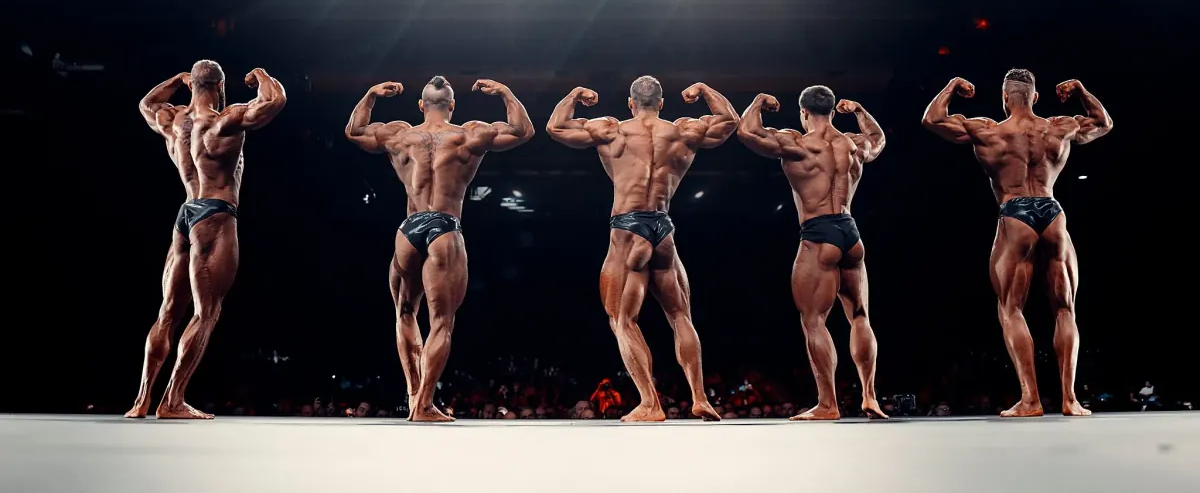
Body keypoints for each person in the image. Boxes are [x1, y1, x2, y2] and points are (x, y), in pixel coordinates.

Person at [921, 71, 1113, 417]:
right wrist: (1082, 90)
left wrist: (951, 86)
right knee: (1065, 309)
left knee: (1010, 308)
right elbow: (1104, 123)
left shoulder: (989, 130)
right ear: (1035, 97)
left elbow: (932, 120)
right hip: (1052, 210)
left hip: (1015, 210)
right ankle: (1070, 400)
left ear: (1005, 98)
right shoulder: (1057, 127)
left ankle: (1030, 399)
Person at [546, 77, 737, 422]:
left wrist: (575, 95)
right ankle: (699, 398)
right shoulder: (682, 131)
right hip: (663, 227)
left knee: (622, 319)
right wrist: (705, 91)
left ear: (631, 104)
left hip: (626, 229)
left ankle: (650, 403)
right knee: (681, 317)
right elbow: (729, 122)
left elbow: (556, 127)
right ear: (661, 103)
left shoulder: (612, 130)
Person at [345, 76, 534, 422]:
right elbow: (523, 131)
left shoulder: (400, 134)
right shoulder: (467, 133)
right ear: (452, 106)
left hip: (408, 229)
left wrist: (371, 94)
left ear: (421, 106)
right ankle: (424, 404)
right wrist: (506, 93)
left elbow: (354, 131)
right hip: (444, 227)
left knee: (404, 313)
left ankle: (414, 393)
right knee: (442, 322)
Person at [125, 62, 287, 420]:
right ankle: (172, 401)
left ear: (193, 85)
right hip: (215, 213)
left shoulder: (175, 122)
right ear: (218, 85)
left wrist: (176, 79)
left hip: (185, 213)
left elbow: (146, 103)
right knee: (206, 312)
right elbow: (274, 101)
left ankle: (141, 401)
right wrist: (260, 74)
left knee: (167, 312)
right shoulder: (224, 120)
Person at [738, 88, 887, 420]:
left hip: (819, 234)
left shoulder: (798, 144)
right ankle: (869, 396)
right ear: (833, 112)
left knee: (814, 321)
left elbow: (747, 132)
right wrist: (861, 111)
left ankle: (828, 404)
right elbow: (878, 140)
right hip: (851, 233)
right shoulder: (853, 144)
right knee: (860, 316)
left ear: (803, 112)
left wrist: (759, 101)